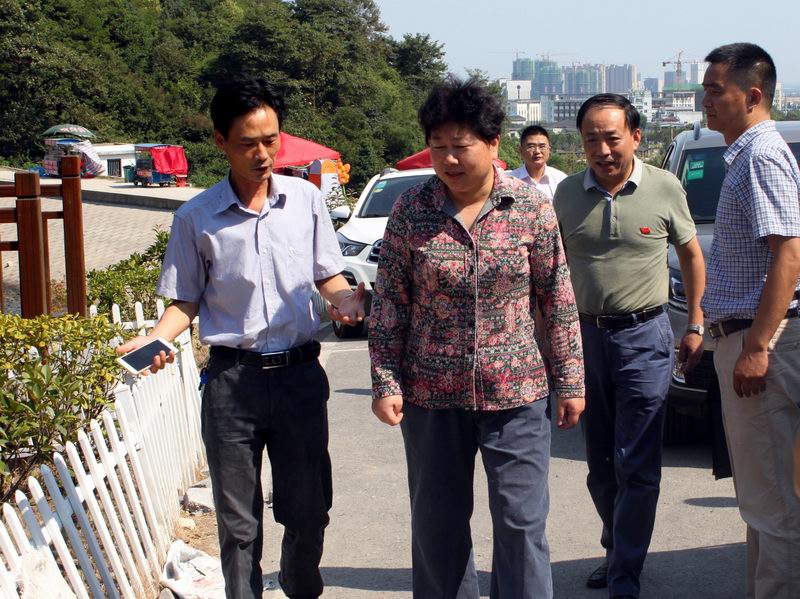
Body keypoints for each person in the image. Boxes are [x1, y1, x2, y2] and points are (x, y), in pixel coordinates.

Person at [116, 77, 365, 599]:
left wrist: (345, 301)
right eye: (248, 143)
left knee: (309, 510)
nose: (262, 154)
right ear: (220, 142)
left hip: (300, 378)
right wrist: (155, 340)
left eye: (271, 140)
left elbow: (328, 275)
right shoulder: (196, 217)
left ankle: (299, 583)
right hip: (233, 383)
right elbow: (184, 301)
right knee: (238, 524)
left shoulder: (305, 200)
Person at [368, 77, 585, 599]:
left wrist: (571, 380)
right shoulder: (411, 210)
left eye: (461, 146)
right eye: (438, 146)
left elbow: (556, 298)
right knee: (438, 526)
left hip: (517, 394)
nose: (449, 159)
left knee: (521, 522)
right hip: (430, 395)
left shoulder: (529, 207)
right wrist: (385, 381)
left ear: (492, 143)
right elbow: (390, 303)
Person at [553, 94, 705, 599]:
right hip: (584, 338)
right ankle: (616, 546)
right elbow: (549, 269)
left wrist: (695, 323)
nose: (602, 149)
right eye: (591, 140)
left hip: (645, 337)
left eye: (612, 138)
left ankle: (625, 573)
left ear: (635, 137)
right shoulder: (566, 194)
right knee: (599, 464)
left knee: (635, 461)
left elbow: (691, 254)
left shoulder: (664, 187)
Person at [700, 42, 800, 599]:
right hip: (744, 338)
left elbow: (790, 253)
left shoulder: (761, 155)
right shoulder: (748, 154)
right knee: (763, 503)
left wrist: (758, 346)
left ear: (753, 95)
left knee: (775, 507)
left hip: (761, 342)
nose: (705, 101)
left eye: (716, 91)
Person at [509, 125, 567, 200]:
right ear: (521, 150)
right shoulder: (509, 181)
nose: (537, 151)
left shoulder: (561, 180)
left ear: (549, 150)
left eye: (542, 146)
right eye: (531, 147)